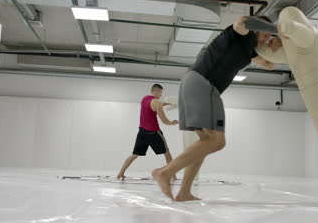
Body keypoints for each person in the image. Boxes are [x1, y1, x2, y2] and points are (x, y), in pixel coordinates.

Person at [152, 16, 282, 201]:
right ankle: (164, 173)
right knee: (217, 141)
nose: (265, 39)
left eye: (268, 37)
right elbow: (243, 20)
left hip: (193, 83)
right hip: (203, 84)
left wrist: (279, 47)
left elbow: (269, 64)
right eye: (265, 34)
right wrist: (278, 29)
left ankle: (184, 192)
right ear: (257, 28)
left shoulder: (248, 50)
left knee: (205, 142)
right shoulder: (238, 34)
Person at [117, 84, 178, 180]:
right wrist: (172, 123)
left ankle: (120, 173)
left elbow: (157, 104)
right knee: (167, 154)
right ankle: (173, 176)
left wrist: (168, 104)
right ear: (157, 91)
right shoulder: (157, 102)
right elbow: (164, 120)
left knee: (134, 154)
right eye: (161, 93)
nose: (161, 95)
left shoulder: (144, 99)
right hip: (154, 133)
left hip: (142, 133)